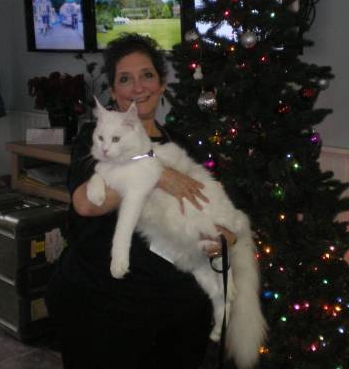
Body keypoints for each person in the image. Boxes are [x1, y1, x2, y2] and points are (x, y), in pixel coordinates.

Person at [47, 33, 237, 369]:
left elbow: (210, 206)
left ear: (162, 85)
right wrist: (155, 173)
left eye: (147, 75)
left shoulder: (183, 144)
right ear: (114, 92)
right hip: (103, 307)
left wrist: (223, 237)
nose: (138, 87)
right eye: (125, 79)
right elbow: (86, 204)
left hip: (174, 308)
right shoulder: (96, 140)